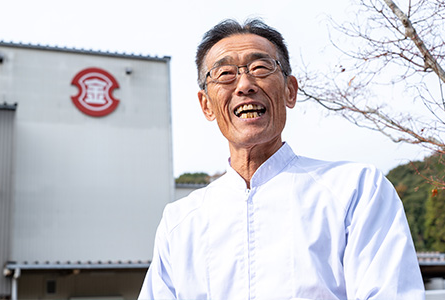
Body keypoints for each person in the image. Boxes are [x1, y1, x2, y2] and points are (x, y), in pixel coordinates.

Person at [138, 19, 425, 300]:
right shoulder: (180, 222)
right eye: (225, 73)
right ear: (206, 105)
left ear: (290, 90)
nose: (245, 85)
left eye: (260, 68)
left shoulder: (356, 190)